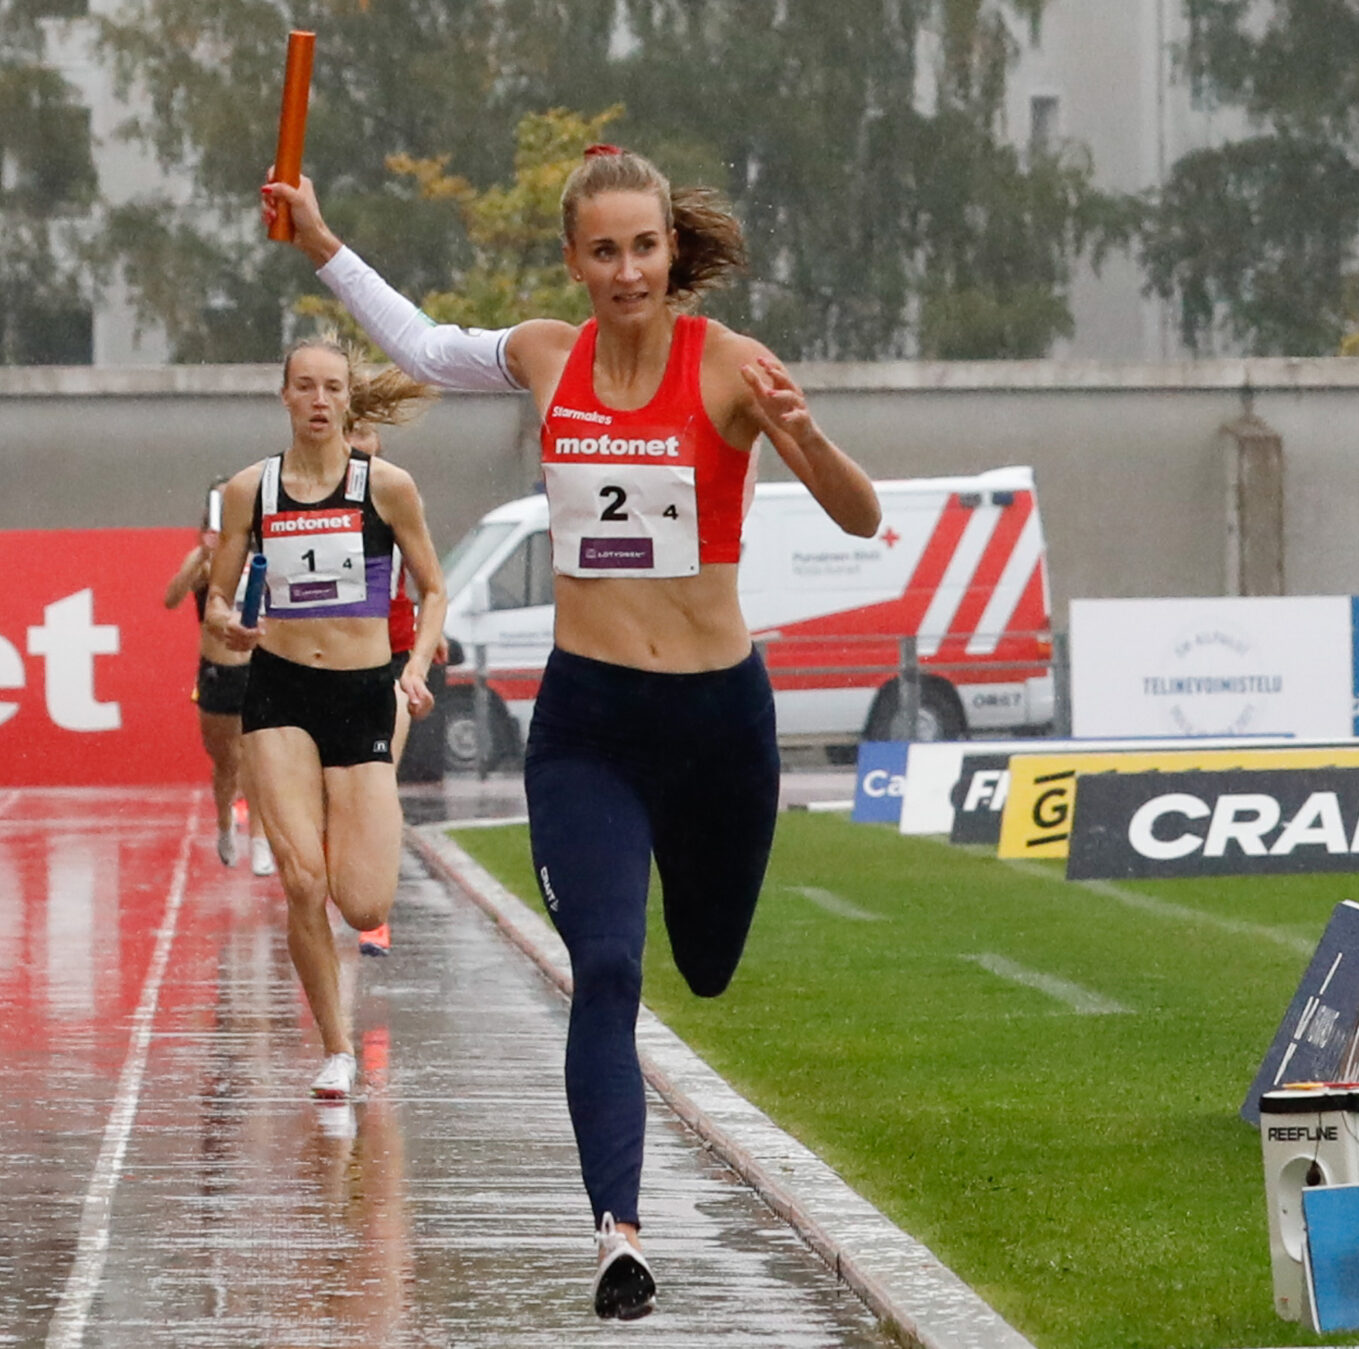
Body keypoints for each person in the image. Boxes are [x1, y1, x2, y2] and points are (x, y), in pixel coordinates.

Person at [264, 144, 880, 1320]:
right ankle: (618, 1232)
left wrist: (801, 438)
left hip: (716, 723)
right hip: (590, 720)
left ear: (670, 252)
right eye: (601, 251)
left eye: (642, 247)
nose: (624, 270)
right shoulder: (552, 357)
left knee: (702, 965)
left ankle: (632, 1176)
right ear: (573, 260)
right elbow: (423, 346)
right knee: (603, 968)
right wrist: (321, 242)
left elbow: (856, 516)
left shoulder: (733, 367)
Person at [203, 335, 449, 1103]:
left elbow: (434, 589)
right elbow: (216, 599)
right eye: (303, 386)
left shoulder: (387, 487)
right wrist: (231, 625)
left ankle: (353, 816)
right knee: (303, 880)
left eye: (331, 388)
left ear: (349, 400)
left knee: (364, 901)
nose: (317, 400)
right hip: (279, 694)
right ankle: (336, 1048)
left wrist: (414, 666)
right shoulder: (253, 490)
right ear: (284, 396)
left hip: (364, 693)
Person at [346, 417, 446, 959]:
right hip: (330, 663)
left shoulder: (392, 488)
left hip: (393, 655)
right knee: (332, 791)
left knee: (379, 781)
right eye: (348, 431)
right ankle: (334, 886)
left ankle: (375, 915)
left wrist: (433, 638)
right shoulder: (302, 492)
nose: (356, 443)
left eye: (365, 432)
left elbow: (425, 575)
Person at [161, 484, 276, 876]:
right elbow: (171, 598)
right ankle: (226, 823)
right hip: (216, 669)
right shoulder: (204, 560)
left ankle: (260, 839)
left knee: (257, 760)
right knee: (225, 762)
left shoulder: (263, 554)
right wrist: (201, 561)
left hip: (257, 668)